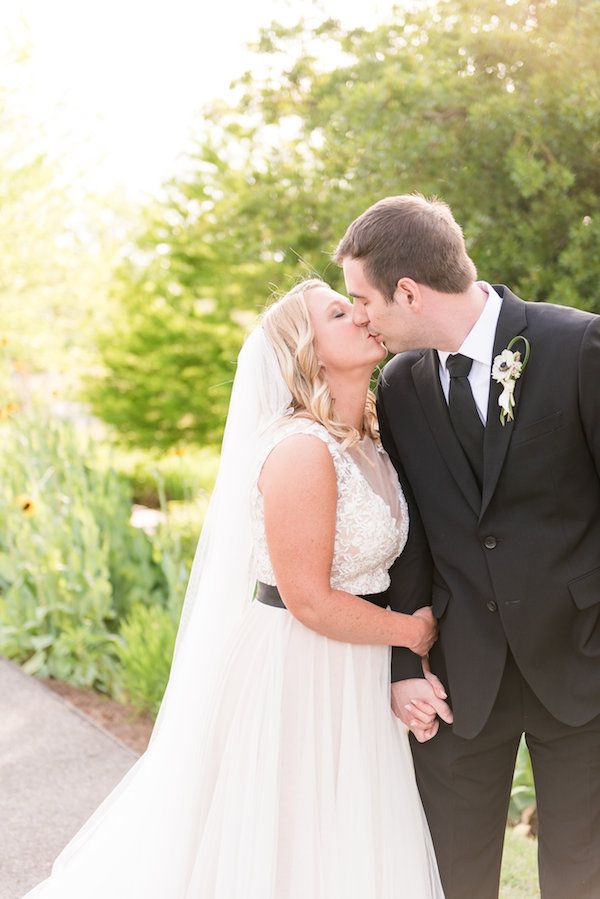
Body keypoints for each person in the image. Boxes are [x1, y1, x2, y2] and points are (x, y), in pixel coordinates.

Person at [23, 278, 447, 898]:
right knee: (282, 845)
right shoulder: (303, 450)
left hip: (349, 673)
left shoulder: (372, 445)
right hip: (294, 672)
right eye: (338, 312)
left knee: (341, 845)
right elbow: (308, 599)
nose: (360, 314)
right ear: (308, 350)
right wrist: (415, 632)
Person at [334, 194, 600, 899]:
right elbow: (410, 533)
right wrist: (403, 663)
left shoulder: (579, 345)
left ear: (410, 292)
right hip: (458, 677)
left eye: (363, 299)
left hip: (583, 659)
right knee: (452, 875)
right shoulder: (401, 384)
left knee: (581, 873)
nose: (359, 315)